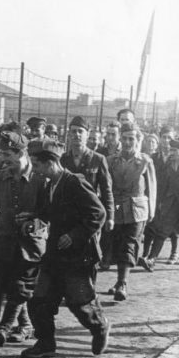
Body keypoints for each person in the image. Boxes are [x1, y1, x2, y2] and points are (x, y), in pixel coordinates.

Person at [21, 139, 110, 358]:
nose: (35, 170)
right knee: (39, 299)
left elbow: (98, 214)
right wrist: (34, 216)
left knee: (80, 304)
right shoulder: (49, 183)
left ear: (50, 163)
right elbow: (51, 211)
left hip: (78, 256)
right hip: (54, 254)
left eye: (38, 165)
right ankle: (45, 343)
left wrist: (74, 236)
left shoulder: (75, 183)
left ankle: (100, 327)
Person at [0, 129, 47, 349]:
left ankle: (6, 325)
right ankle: (24, 325)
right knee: (1, 283)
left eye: (8, 155)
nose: (3, 160)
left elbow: (50, 213)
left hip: (30, 243)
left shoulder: (41, 179)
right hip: (4, 239)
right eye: (1, 154)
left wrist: (35, 219)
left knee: (20, 286)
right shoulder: (0, 178)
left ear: (22, 154)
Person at [107, 122, 156, 300]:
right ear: (120, 138)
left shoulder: (144, 161)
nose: (128, 142)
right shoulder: (111, 161)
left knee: (130, 243)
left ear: (137, 140)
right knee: (118, 244)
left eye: (131, 139)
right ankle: (119, 280)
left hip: (137, 209)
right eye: (125, 138)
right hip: (117, 208)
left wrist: (151, 212)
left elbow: (151, 187)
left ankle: (122, 283)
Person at [61, 116, 114, 273]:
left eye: (80, 131)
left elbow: (106, 190)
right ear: (68, 135)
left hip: (90, 215)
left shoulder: (97, 159)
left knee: (90, 254)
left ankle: (89, 291)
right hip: (69, 215)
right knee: (68, 254)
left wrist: (110, 216)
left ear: (87, 134)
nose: (76, 135)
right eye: (73, 132)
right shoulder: (63, 159)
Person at [139, 138, 179, 272]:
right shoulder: (168, 163)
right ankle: (151, 259)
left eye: (175, 150)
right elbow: (163, 184)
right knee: (162, 231)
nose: (171, 152)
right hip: (172, 204)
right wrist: (159, 201)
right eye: (171, 150)